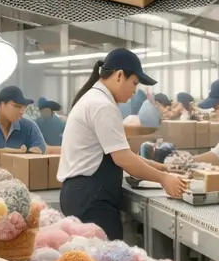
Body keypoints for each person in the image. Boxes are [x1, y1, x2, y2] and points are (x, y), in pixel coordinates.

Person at [58, 50, 189, 239]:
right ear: (119, 75)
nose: (135, 91)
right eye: (134, 83)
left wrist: (160, 167)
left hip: (82, 195)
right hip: (91, 199)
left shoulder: (94, 98)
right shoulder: (102, 105)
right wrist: (163, 179)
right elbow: (123, 158)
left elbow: (119, 152)